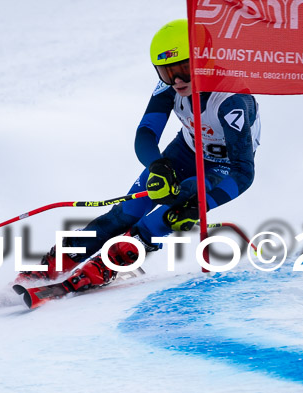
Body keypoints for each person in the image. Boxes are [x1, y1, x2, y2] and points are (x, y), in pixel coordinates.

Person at [17, 18, 260, 291]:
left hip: (222, 168)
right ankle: (55, 262)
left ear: (205, 61)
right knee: (127, 211)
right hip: (185, 153)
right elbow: (145, 133)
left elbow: (243, 172)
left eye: (183, 68)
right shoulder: (170, 88)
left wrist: (201, 206)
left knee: (168, 215)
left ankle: (111, 264)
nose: (176, 80)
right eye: (167, 72)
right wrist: (157, 165)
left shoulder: (231, 101)